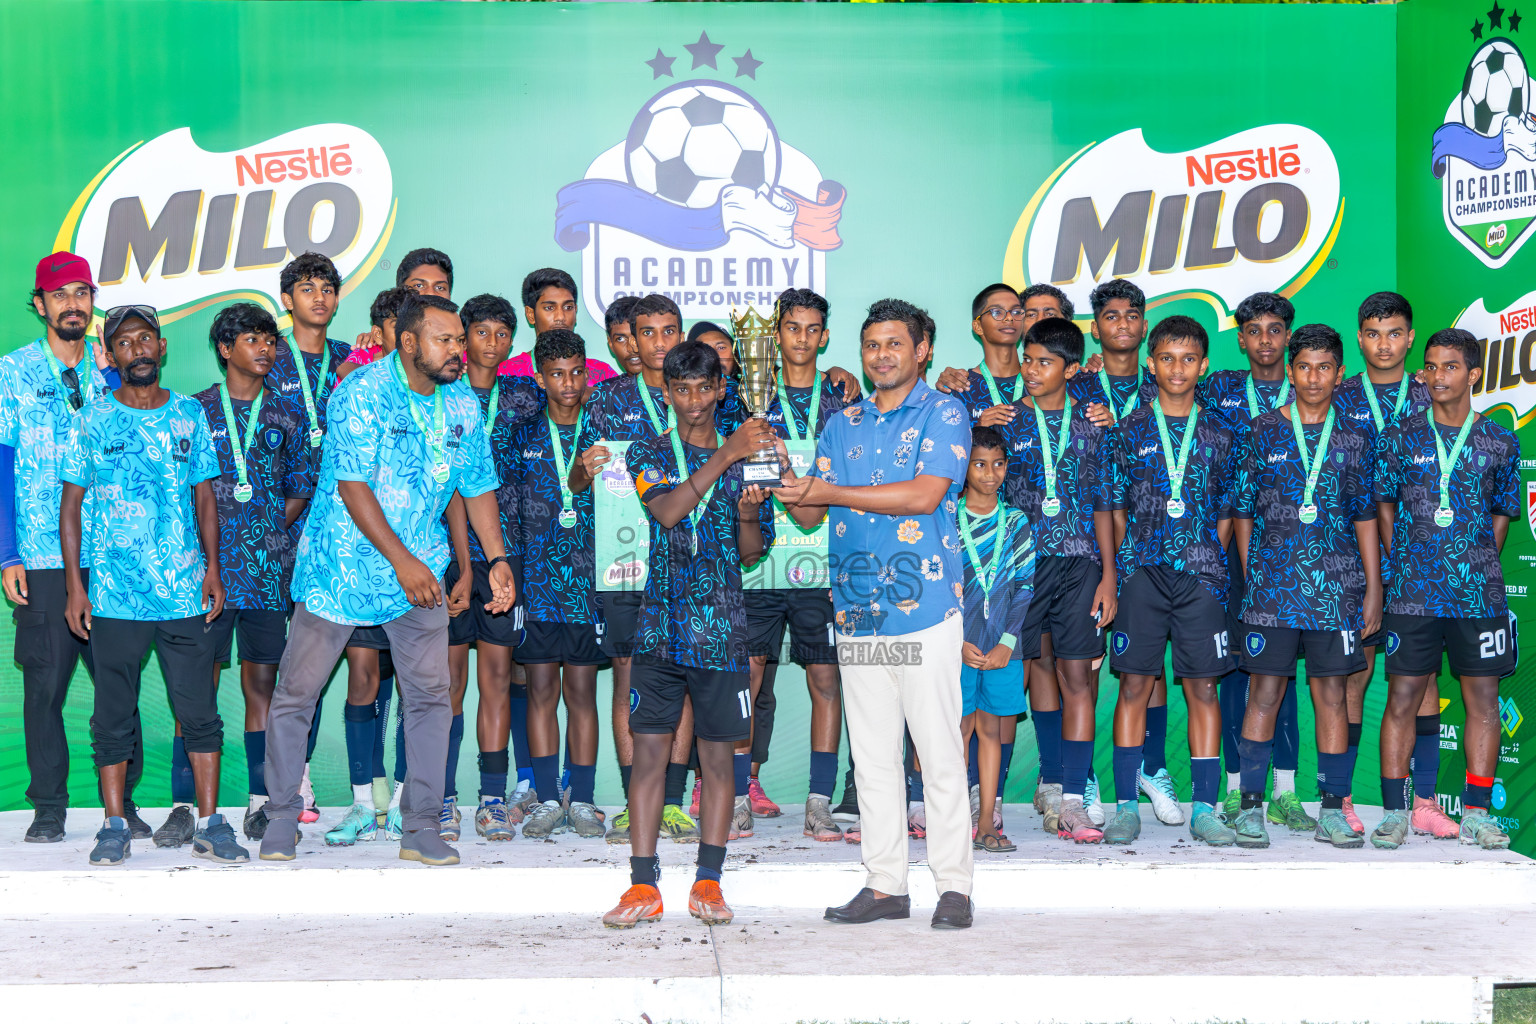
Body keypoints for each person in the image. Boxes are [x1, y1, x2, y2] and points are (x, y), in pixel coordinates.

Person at [259, 293, 515, 867]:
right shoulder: (360, 393)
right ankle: (279, 819)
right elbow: (353, 487)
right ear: (407, 343)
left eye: (460, 339)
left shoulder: (463, 406)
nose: (459, 350)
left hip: (418, 570)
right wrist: (404, 562)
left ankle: (420, 826)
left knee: (429, 696)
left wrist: (496, 560)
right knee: (297, 693)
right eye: (445, 340)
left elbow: (475, 487)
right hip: (339, 568)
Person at [778, 297, 976, 930]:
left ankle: (955, 886)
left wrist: (829, 491)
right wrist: (783, 477)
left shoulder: (945, 411)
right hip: (857, 611)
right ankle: (886, 883)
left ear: (922, 351)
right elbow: (810, 513)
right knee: (871, 758)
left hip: (926, 611)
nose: (881, 355)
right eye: (871, 345)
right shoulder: (842, 423)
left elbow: (924, 496)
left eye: (895, 344)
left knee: (939, 753)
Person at [600, 340, 776, 929]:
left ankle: (709, 880)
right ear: (668, 393)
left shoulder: (752, 454)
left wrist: (750, 510)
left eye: (705, 388)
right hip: (659, 631)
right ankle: (642, 885)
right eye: (682, 390)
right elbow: (670, 511)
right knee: (650, 756)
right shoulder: (652, 448)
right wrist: (727, 454)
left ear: (723, 388)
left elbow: (753, 551)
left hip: (722, 633)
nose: (694, 400)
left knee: (718, 762)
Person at [59, 304, 240, 865]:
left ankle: (210, 823)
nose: (137, 349)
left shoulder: (188, 416)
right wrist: (75, 587)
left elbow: (205, 497)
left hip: (184, 592)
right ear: (110, 356)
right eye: (125, 342)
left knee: (200, 711)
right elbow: (71, 509)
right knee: (112, 715)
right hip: (114, 596)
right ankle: (113, 824)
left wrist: (212, 568)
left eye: (146, 339)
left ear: (161, 348)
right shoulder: (90, 420)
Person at [0, 253, 148, 843]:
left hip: (111, 556)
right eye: (60, 294)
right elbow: (2, 465)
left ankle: (124, 802)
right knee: (44, 686)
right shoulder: (11, 373)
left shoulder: (112, 368)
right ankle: (49, 807)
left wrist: (114, 377)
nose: (72, 304)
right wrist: (7, 551)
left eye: (82, 293)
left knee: (120, 683)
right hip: (40, 555)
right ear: (40, 305)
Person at [1231, 324, 1379, 849]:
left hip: (1336, 592)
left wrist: (1373, 590)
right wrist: (1255, 575)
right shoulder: (1261, 430)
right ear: (1290, 372)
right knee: (1264, 692)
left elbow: (1366, 519)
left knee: (1332, 697)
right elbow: (1242, 512)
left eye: (1324, 367)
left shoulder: (1357, 438)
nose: (1313, 377)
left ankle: (1334, 809)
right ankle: (1251, 808)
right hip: (1271, 593)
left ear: (1340, 374)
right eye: (1304, 367)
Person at [1371, 328, 1519, 851]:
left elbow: (1503, 514)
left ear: (1474, 374)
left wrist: (1475, 560)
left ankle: (1477, 814)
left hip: (1477, 595)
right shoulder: (1400, 436)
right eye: (1430, 366)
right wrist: (1405, 561)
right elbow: (1384, 505)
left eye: (1449, 367)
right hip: (1413, 593)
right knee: (1403, 697)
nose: (1436, 376)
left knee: (1482, 700)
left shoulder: (1500, 439)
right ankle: (1396, 813)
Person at [573, 293, 713, 844]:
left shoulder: (704, 394)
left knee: (681, 683)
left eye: (669, 330)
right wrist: (584, 471)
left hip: (693, 563)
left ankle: (673, 803)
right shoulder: (606, 398)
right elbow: (578, 484)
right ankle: (637, 803)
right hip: (626, 564)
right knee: (629, 679)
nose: (660, 342)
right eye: (648, 332)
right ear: (631, 338)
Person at [1104, 315, 1243, 848]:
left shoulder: (1222, 435)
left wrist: (1208, 559)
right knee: (1135, 685)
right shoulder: (1129, 430)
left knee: (1203, 687)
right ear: (1151, 364)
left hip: (1201, 577)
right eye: (1166, 358)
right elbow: (1116, 508)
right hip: (1143, 574)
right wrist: (1128, 564)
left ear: (1203, 365)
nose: (1177, 368)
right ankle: (1125, 808)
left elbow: (1229, 512)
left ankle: (1205, 808)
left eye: (1188, 358)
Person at [192, 304, 313, 842]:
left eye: (270, 339)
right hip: (206, 575)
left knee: (262, 686)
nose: (265, 348)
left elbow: (300, 488)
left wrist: (263, 528)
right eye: (252, 340)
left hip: (268, 574)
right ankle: (187, 805)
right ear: (225, 348)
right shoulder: (193, 412)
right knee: (196, 689)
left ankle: (261, 802)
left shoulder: (288, 414)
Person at [997, 316, 1118, 842]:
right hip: (1019, 568)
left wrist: (1109, 576)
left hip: (1080, 566)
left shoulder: (1095, 425)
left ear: (1071, 369)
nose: (1030, 370)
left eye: (1043, 362)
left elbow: (1105, 506)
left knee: (1077, 679)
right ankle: (988, 801)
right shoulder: (1002, 424)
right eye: (1027, 360)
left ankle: (1072, 799)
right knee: (1007, 679)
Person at [1196, 292, 1311, 832]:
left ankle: (1285, 790)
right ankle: (1242, 789)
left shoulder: (1319, 384)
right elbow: (1145, 375)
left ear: (1289, 336)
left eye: (1275, 329)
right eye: (1254, 330)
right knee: (1239, 671)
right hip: (1235, 552)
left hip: (1305, 554)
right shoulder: (1216, 387)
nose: (1265, 340)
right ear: (1239, 338)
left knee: (1281, 673)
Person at [1334, 292, 1449, 838]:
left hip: (1422, 558)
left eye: (1395, 332)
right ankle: (1346, 798)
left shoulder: (1433, 395)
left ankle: (1422, 800)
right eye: (1374, 333)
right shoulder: (1336, 396)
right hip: (1351, 561)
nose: (1384, 343)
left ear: (1409, 338)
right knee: (1353, 677)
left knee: (1420, 680)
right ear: (1359, 338)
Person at [741, 288, 850, 841]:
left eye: (812, 329)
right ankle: (739, 793)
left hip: (823, 568)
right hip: (758, 565)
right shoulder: (749, 396)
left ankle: (817, 801)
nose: (802, 338)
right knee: (749, 678)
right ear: (777, 334)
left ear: (824, 336)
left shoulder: (843, 401)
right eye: (792, 328)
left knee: (826, 680)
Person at [1065, 279, 1166, 827]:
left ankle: (1152, 769)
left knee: (1145, 666)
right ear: (1096, 327)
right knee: (1082, 666)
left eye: (1132, 315)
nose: (1122, 324)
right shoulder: (1075, 388)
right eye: (1111, 316)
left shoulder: (1168, 388)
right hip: (1087, 550)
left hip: (1155, 552)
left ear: (1144, 325)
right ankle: (1082, 778)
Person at [511, 329, 606, 840]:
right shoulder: (523, 434)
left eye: (576, 372)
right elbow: (504, 509)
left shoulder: (603, 433)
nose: (568, 384)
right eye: (556, 374)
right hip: (539, 585)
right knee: (542, 691)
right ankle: (548, 798)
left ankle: (584, 800)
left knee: (583, 692)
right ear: (540, 378)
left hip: (590, 588)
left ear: (587, 373)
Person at [269, 251, 354, 821]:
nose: (318, 296)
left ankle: (301, 782)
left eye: (327, 287)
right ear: (287, 299)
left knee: (317, 664)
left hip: (344, 531)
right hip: (276, 531)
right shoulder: (265, 358)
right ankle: (283, 782)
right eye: (306, 287)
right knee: (283, 668)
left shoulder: (355, 361)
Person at [333, 284, 412, 829]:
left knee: (417, 686)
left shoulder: (432, 394)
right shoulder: (350, 384)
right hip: (359, 561)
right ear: (382, 331)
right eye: (389, 325)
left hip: (416, 562)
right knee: (362, 677)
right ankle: (365, 802)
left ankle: (408, 801)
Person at [957, 426, 1034, 854]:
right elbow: (938, 584)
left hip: (1005, 646)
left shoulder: (1017, 521)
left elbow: (1025, 586)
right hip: (959, 646)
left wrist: (1007, 641)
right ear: (964, 467)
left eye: (998, 464)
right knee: (957, 731)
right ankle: (953, 825)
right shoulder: (946, 517)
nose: (990, 474)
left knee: (992, 731)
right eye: (980, 464)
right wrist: (954, 643)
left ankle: (987, 821)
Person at [499, 268, 617, 384]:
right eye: (549, 308)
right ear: (530, 314)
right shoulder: (507, 375)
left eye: (568, 307)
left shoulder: (602, 375)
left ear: (576, 311)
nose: (560, 317)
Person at [934, 283, 1027, 424]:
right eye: (997, 312)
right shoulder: (959, 387)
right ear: (978, 327)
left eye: (1016, 312)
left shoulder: (1040, 383)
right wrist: (980, 428)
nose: (1009, 318)